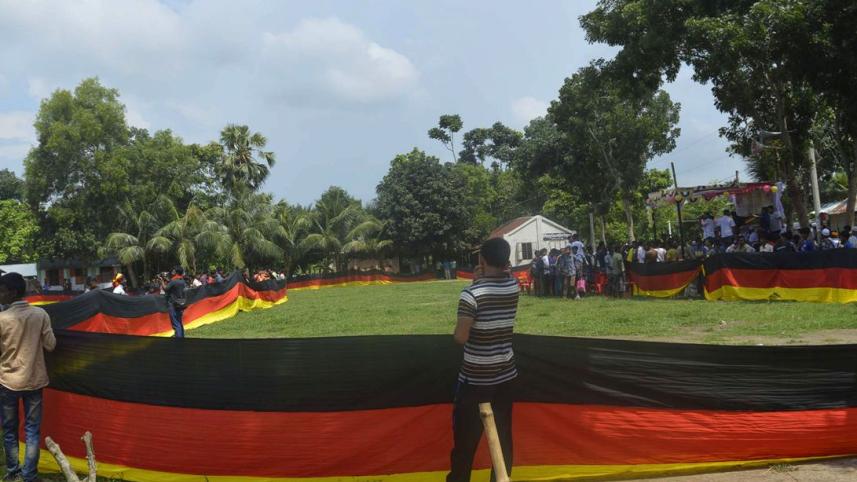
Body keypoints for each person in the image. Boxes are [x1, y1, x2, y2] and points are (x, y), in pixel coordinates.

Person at [448, 238, 518, 482]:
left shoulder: (471, 294)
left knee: (465, 443)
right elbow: (504, 277)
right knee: (504, 437)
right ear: (506, 260)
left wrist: (474, 284)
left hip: (476, 379)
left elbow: (460, 337)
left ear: (481, 260)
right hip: (506, 375)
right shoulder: (514, 286)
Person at [0, 272, 56, 482]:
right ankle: (29, 475)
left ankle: (13, 473)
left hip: (7, 382)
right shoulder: (40, 315)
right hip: (35, 381)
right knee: (32, 430)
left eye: (2, 290)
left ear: (12, 292)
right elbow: (50, 345)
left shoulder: (2, 319)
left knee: (9, 430)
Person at [164, 267, 187, 338]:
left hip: (173, 304)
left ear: (176, 272)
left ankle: (178, 341)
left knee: (176, 324)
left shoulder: (173, 281)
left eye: (174, 271)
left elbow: (166, 289)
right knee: (179, 322)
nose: (172, 272)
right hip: (181, 303)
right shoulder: (182, 281)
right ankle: (182, 337)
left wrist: (162, 281)